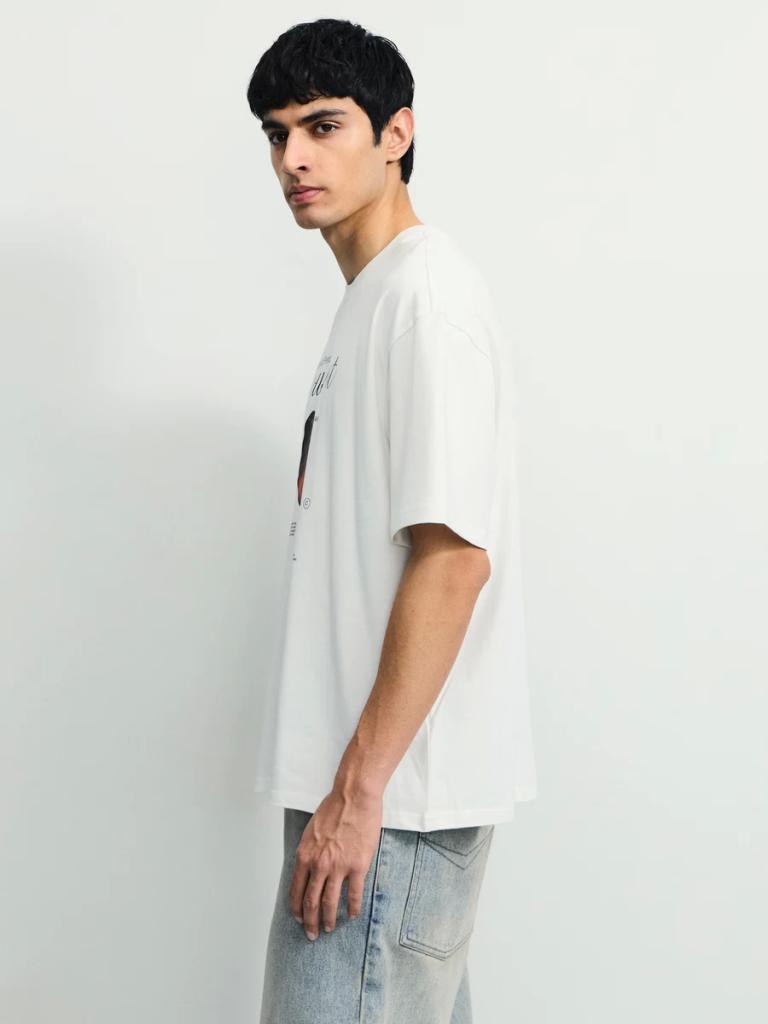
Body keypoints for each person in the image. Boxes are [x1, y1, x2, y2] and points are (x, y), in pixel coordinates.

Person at [245, 18, 537, 1024]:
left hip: (389, 811)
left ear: (396, 134)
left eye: (323, 126)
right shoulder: (375, 301)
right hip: (373, 799)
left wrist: (359, 793)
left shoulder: (425, 300)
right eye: (277, 133)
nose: (294, 157)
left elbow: (454, 561)